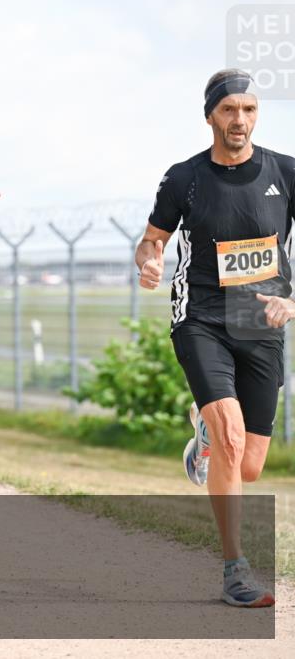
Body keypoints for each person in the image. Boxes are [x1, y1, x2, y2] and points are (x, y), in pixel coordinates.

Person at [138, 69, 293, 608]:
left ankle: (202, 437)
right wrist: (151, 262)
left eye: (249, 110)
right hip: (201, 317)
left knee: (248, 464)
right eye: (229, 110)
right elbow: (152, 239)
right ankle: (235, 570)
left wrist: (292, 300)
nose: (240, 120)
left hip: (262, 323)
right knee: (230, 435)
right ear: (210, 116)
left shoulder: (285, 172)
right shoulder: (185, 178)